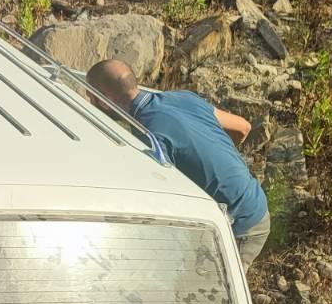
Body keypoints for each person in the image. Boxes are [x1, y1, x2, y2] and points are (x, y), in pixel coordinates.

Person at [86, 58, 271, 272]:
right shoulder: (183, 98)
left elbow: (162, 204)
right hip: (255, 198)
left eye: (92, 98)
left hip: (241, 224)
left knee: (211, 291)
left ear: (104, 98)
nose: (91, 104)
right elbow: (243, 127)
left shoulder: (151, 138)